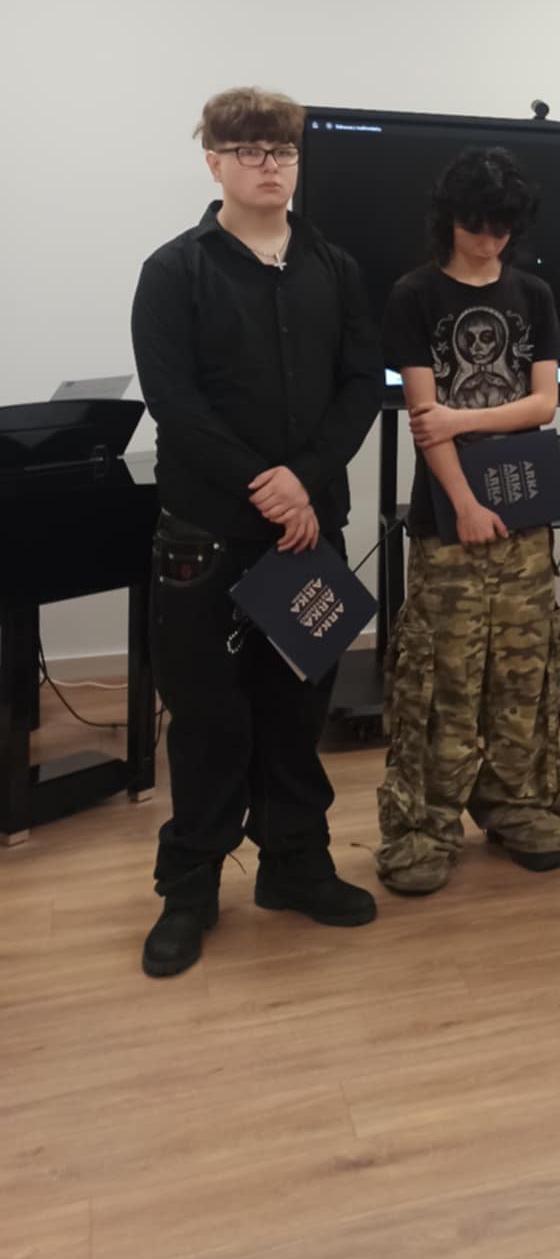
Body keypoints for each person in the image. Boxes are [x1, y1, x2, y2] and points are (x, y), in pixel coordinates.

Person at [130, 88, 382, 978]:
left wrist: (304, 480)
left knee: (298, 710)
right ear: (213, 161)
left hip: (308, 533)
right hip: (206, 538)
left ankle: (295, 866)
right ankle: (190, 888)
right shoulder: (174, 271)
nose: (269, 165)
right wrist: (270, 487)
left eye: (283, 151)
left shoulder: (335, 267)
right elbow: (176, 405)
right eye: (249, 151)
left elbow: (361, 384)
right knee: (207, 718)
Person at [375, 148, 560, 892]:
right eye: (477, 226)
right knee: (442, 678)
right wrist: (462, 503)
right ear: (449, 220)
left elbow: (543, 404)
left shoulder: (534, 294)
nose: (489, 240)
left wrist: (461, 417)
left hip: (526, 507)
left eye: (502, 228)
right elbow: (422, 422)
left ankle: (518, 804)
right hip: (449, 515)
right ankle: (424, 828)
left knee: (523, 671)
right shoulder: (413, 295)